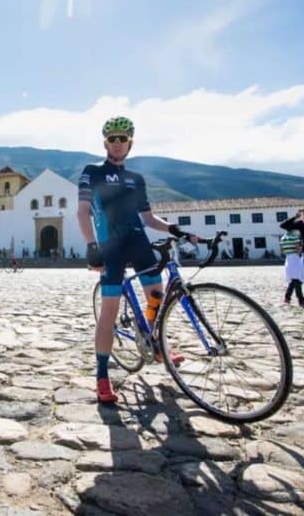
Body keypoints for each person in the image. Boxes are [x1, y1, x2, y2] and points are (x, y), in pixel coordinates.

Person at [78, 116, 197, 404]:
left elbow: (148, 218)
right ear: (105, 142)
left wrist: (172, 228)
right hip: (111, 247)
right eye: (112, 139)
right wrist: (92, 246)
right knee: (109, 311)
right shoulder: (91, 172)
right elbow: (82, 212)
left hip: (139, 243)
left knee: (156, 296)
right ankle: (102, 375)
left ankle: (154, 343)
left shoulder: (137, 179)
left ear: (130, 143)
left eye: (123, 138)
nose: (117, 143)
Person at [280, 230, 304, 309]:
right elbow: (298, 250)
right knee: (297, 280)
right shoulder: (294, 238)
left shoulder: (282, 238)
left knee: (293, 280)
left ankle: (287, 297)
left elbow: (282, 251)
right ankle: (301, 300)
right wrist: (301, 248)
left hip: (288, 259)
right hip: (295, 259)